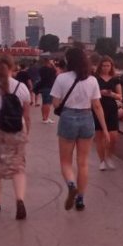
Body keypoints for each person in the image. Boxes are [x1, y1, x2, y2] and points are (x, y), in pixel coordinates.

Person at [50, 47, 107, 212]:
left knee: (66, 162)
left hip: (68, 118)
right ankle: (80, 199)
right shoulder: (92, 80)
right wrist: (103, 128)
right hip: (87, 118)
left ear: (69, 61)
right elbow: (97, 105)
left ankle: (71, 184)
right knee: (83, 163)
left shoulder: (61, 78)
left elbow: (55, 103)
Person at [0, 55, 32, 218]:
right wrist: (27, 132)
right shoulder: (21, 87)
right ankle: (20, 199)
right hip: (17, 129)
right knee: (18, 167)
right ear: (12, 67)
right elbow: (27, 115)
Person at [93, 57, 123, 170]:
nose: (106, 68)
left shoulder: (115, 79)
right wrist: (101, 92)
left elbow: (120, 96)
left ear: (111, 67)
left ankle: (109, 156)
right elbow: (91, 93)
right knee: (99, 135)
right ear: (100, 66)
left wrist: (111, 94)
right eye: (104, 65)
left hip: (111, 108)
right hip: (98, 107)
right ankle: (101, 161)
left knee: (114, 136)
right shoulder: (95, 79)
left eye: (108, 66)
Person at [37, 58, 58, 123]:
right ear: (49, 63)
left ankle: (44, 117)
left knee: (44, 102)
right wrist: (53, 65)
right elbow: (56, 72)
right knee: (48, 103)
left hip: (43, 86)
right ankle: (46, 118)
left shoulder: (41, 69)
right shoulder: (51, 69)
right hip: (49, 87)